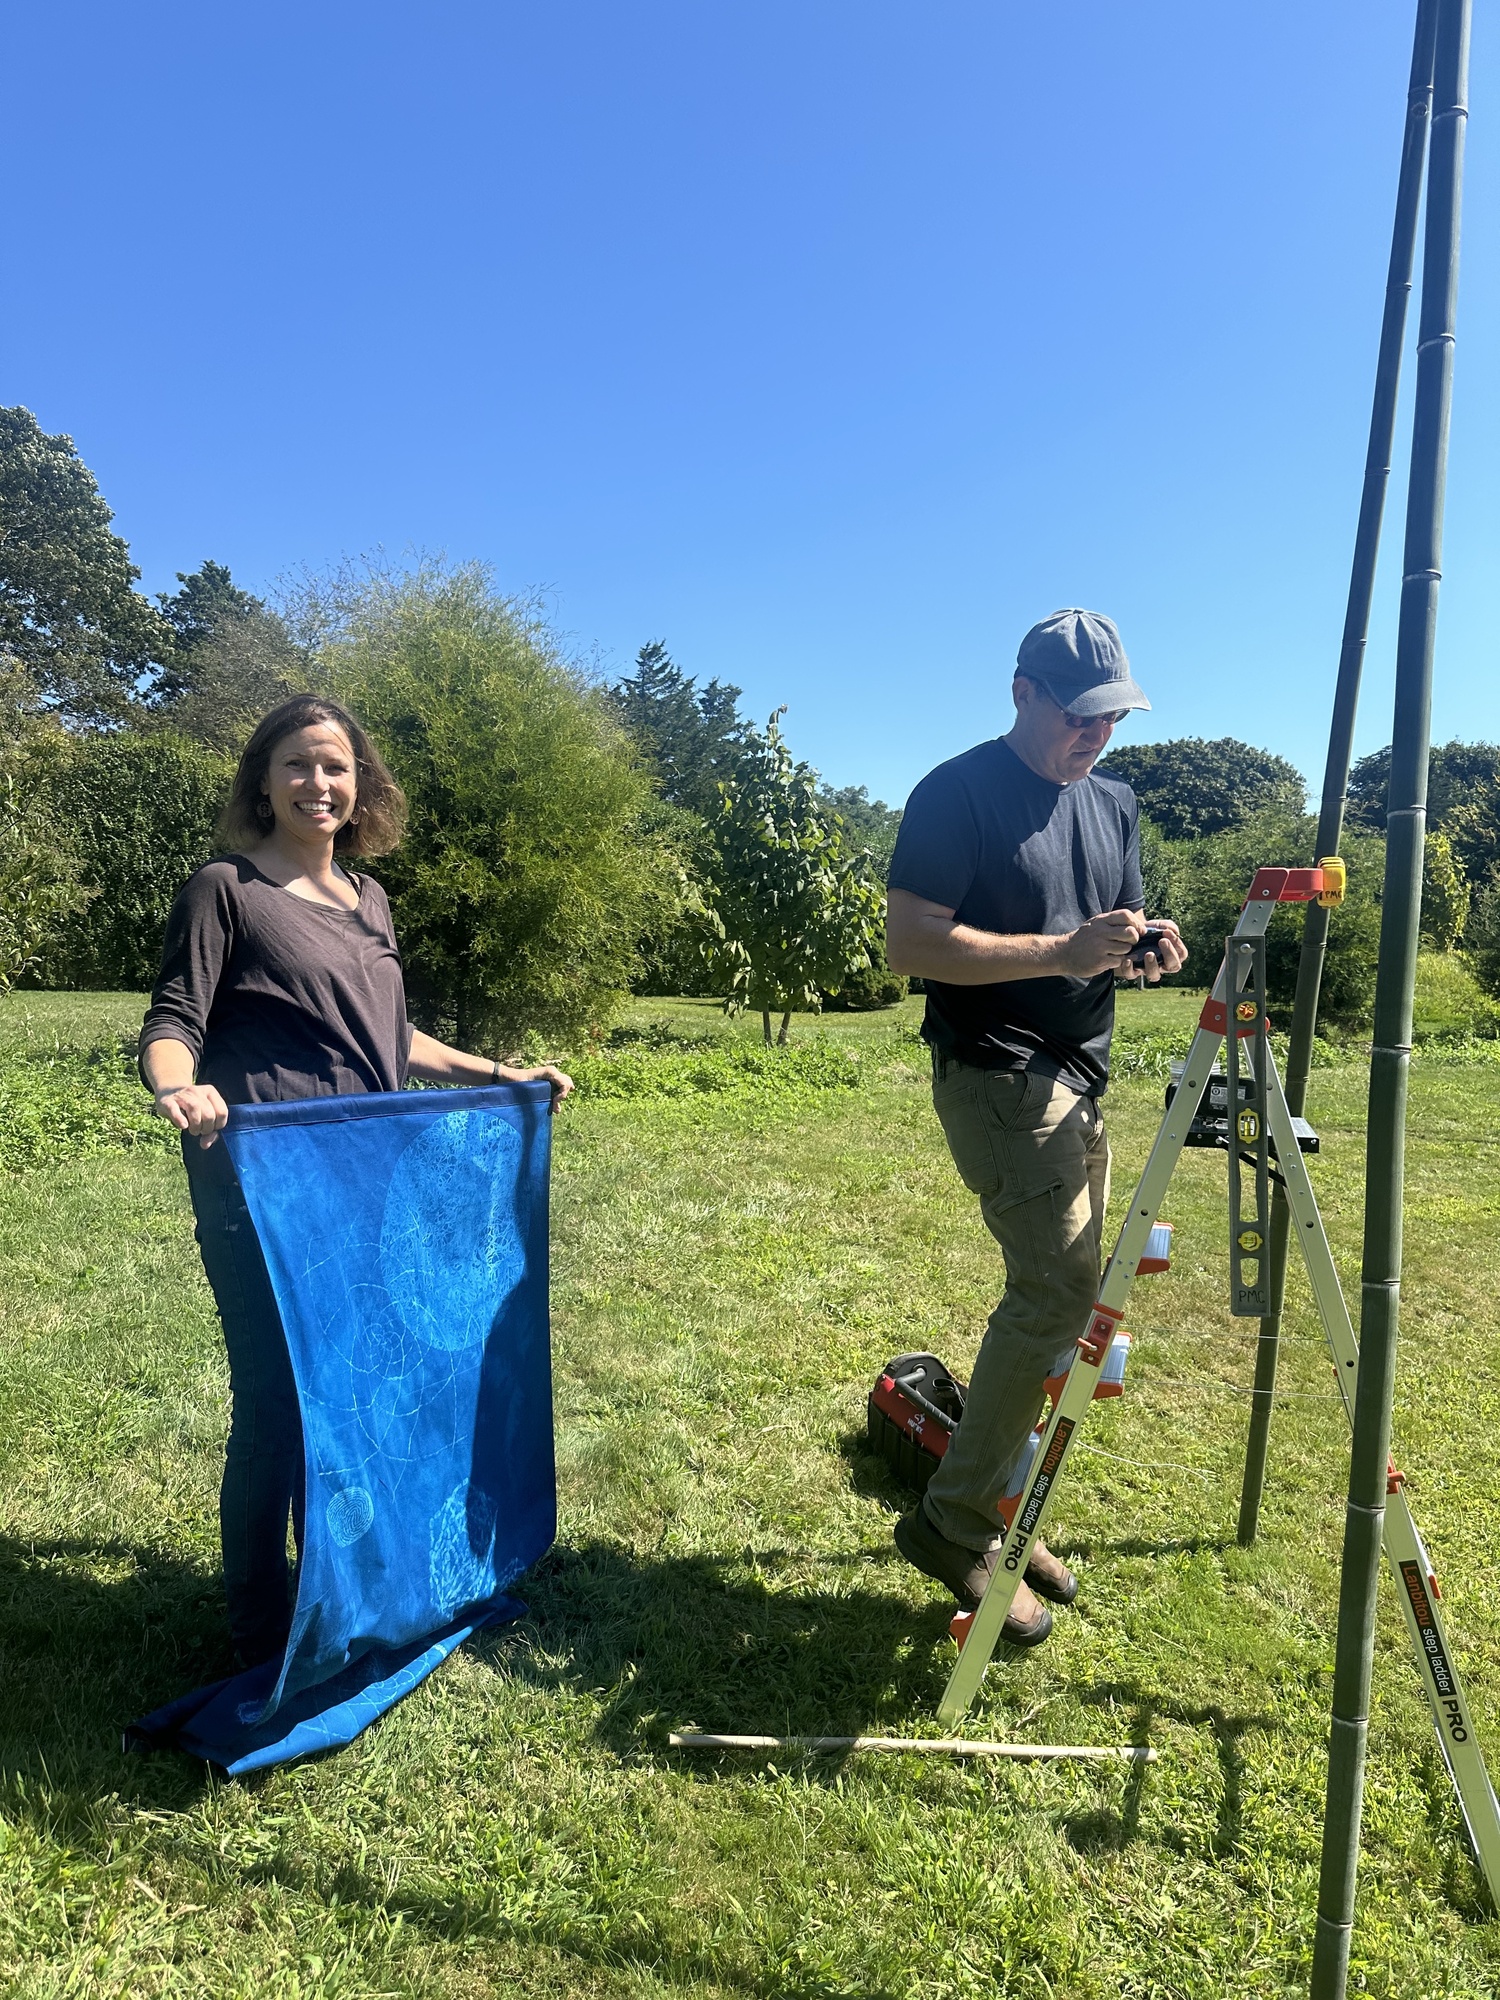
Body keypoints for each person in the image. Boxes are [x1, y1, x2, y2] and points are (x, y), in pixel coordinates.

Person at [139, 694, 573, 1669]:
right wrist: (182, 1086)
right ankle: (260, 1628)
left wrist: (503, 1077)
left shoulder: (368, 900)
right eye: (298, 764)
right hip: (266, 1194)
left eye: (336, 767)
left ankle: (346, 1583)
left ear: (360, 783)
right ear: (264, 778)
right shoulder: (227, 888)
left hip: (368, 1189)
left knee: (359, 1389)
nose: (318, 783)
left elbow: (393, 1038)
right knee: (279, 1402)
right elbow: (172, 1018)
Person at [884, 609, 1186, 1647]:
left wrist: (1142, 945)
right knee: (1055, 1292)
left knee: (1068, 1301)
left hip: (1082, 1073)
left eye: (1114, 714)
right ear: (1022, 692)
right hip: (999, 1072)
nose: (1097, 733)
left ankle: (998, 1507)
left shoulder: (1115, 803)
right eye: (1080, 713)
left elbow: (1110, 930)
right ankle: (955, 1521)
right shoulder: (957, 791)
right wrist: (1063, 949)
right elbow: (911, 942)